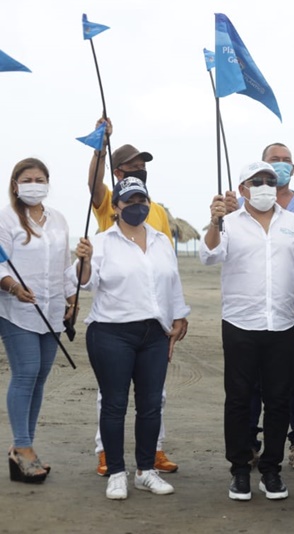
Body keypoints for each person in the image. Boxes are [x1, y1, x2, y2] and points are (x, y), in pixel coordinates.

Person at [70, 177, 190, 500]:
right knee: (114, 404)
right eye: (130, 201)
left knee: (151, 405)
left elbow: (171, 280)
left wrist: (179, 314)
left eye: (142, 200)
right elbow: (83, 282)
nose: (137, 206)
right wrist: (82, 260)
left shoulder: (161, 240)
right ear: (116, 206)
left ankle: (146, 471)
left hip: (154, 332)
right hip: (111, 332)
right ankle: (117, 473)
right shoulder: (103, 242)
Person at [202, 161, 294, 501]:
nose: (265, 185)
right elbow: (209, 256)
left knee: (279, 399)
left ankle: (271, 470)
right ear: (243, 187)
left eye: (270, 180)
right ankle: (239, 469)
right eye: (257, 180)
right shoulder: (229, 223)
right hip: (239, 323)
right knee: (237, 399)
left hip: (282, 323)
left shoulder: (293, 223)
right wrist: (214, 221)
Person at [85, 117, 177, 476]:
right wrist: (100, 146)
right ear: (118, 171)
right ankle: (106, 452)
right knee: (112, 396)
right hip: (115, 311)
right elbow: (93, 184)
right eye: (133, 165)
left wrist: (174, 312)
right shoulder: (109, 200)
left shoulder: (155, 209)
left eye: (144, 165)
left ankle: (153, 452)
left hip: (155, 314)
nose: (140, 169)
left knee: (155, 396)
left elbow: (166, 258)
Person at [0, 158, 76, 483]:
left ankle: (23, 449)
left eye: (40, 178)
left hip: (53, 309)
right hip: (16, 310)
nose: (35, 183)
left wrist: (71, 297)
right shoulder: (5, 219)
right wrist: (14, 288)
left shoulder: (58, 220)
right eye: (28, 178)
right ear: (16, 184)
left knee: (40, 377)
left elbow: (65, 263)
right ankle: (23, 446)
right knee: (26, 371)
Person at [245, 143, 294, 472]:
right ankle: (251, 444)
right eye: (276, 160)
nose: (282, 165)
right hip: (256, 314)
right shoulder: (245, 209)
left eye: (288, 160)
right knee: (256, 384)